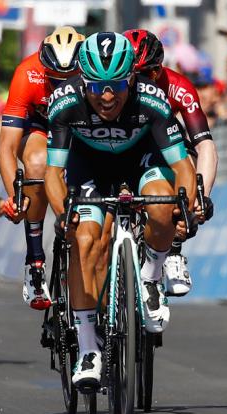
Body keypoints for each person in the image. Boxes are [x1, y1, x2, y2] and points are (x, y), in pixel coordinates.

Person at [44, 32, 197, 387]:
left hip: (140, 161)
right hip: (88, 167)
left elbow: (183, 167)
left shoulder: (153, 101)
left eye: (116, 85)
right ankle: (87, 350)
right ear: (83, 81)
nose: (107, 96)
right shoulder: (64, 103)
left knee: (162, 206)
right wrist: (62, 213)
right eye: (96, 87)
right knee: (85, 240)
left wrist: (184, 205)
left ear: (132, 79)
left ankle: (149, 277)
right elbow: (53, 173)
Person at [123, 29, 217, 297]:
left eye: (149, 73)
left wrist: (202, 197)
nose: (143, 81)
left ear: (160, 69)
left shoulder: (178, 86)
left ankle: (173, 248)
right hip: (120, 142)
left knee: (184, 163)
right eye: (135, 74)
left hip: (160, 141)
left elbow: (205, 145)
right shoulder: (115, 89)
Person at [0, 26, 85, 310]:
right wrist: (15, 196)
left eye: (68, 78)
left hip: (81, 127)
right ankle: (35, 260)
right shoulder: (27, 73)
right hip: (41, 127)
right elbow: (7, 147)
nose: (61, 86)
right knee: (37, 163)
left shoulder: (94, 72)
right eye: (55, 79)